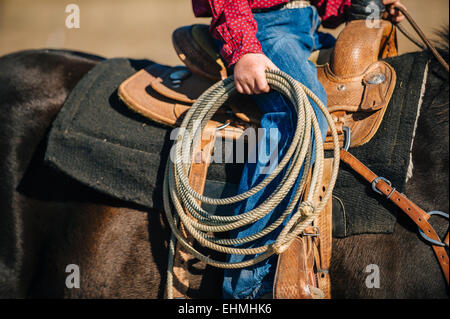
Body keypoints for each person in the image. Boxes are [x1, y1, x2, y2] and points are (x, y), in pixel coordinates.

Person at [191, 0, 405, 299]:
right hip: (260, 27)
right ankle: (246, 283)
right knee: (300, 114)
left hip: (307, 25)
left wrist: (357, 5)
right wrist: (244, 49)